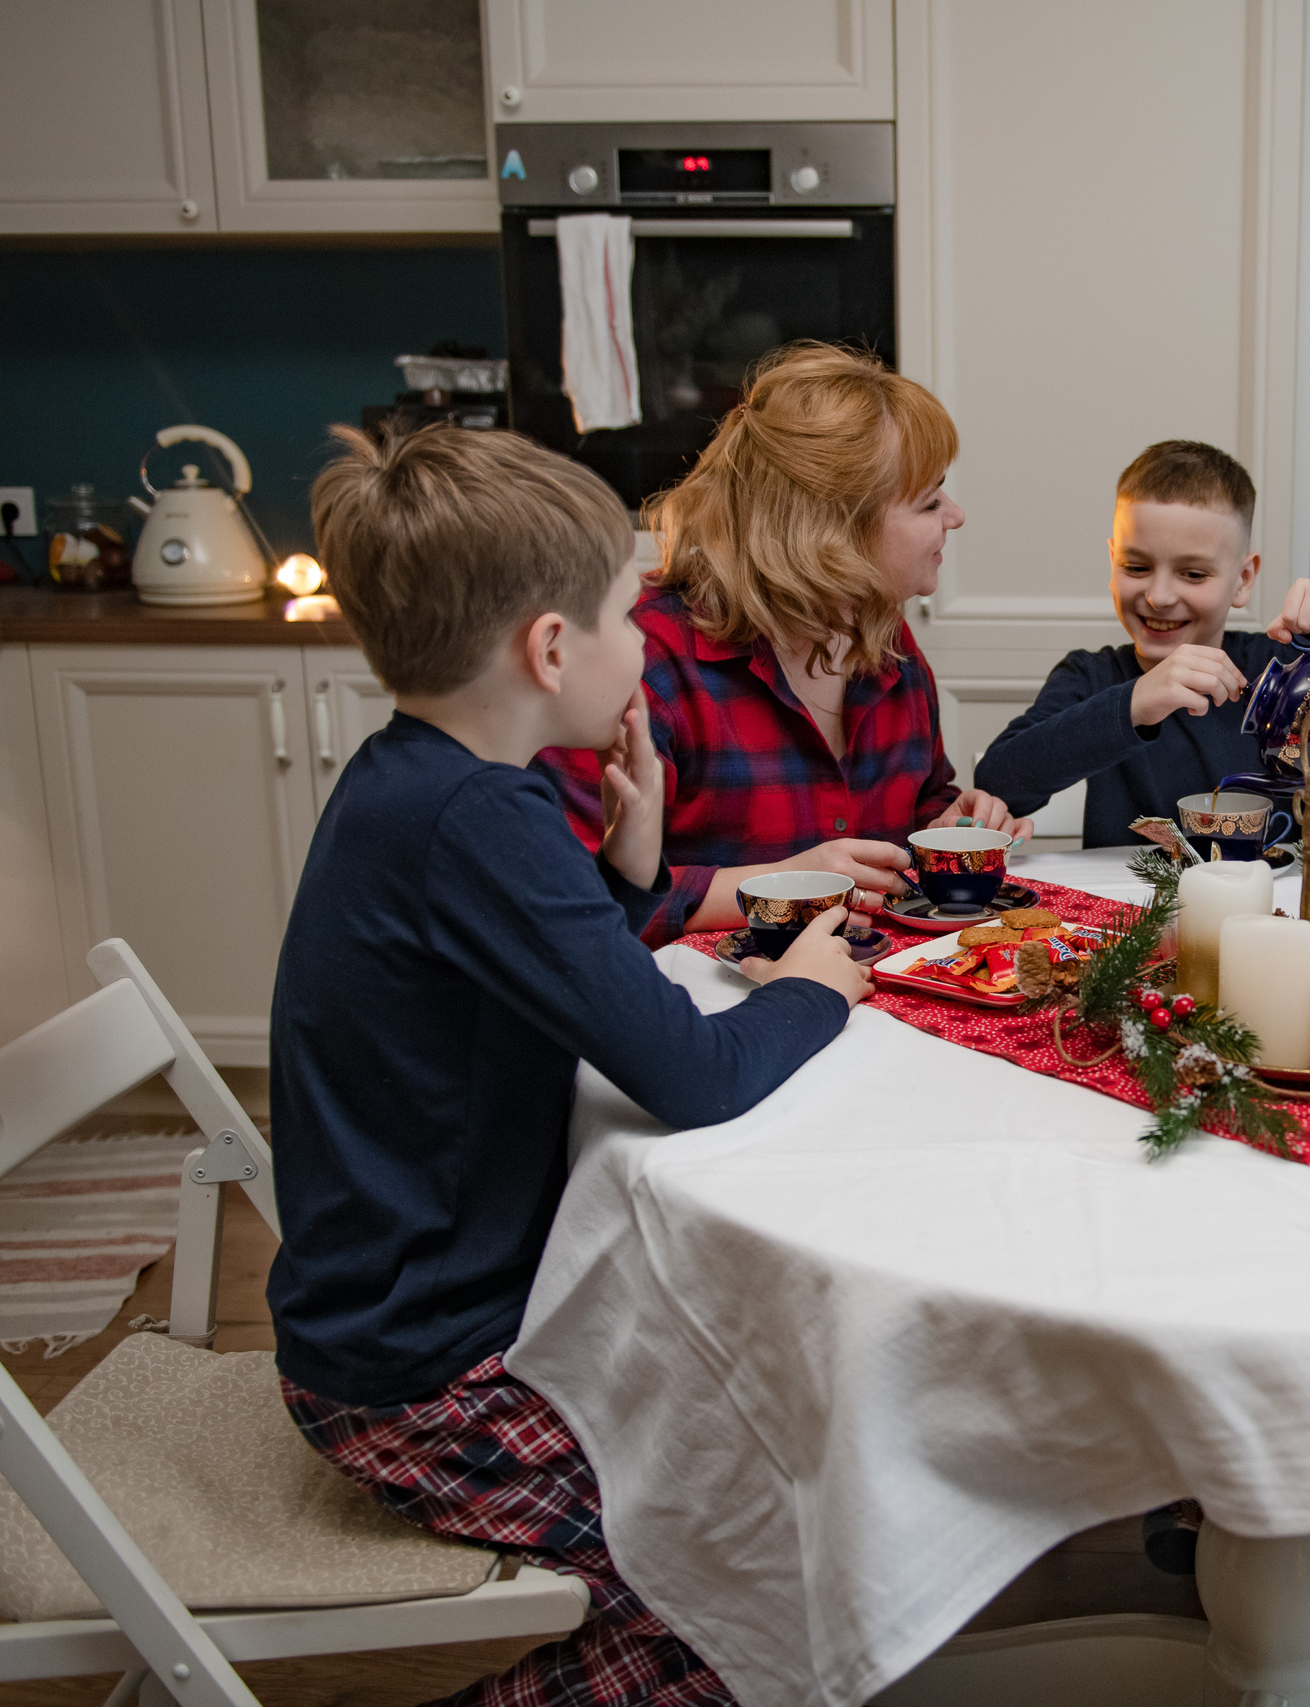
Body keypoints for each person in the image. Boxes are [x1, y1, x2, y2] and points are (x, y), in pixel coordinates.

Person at [270, 424, 869, 1707]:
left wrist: (631, 853)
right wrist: (815, 991)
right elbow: (693, 1075)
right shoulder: (480, 819)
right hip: (421, 1375)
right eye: (623, 615)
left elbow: (561, 967)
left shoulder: (428, 785)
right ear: (550, 649)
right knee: (744, 1564)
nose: (643, 643)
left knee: (758, 1465)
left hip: (411, 1316)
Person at [537, 343, 1026, 944]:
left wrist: (951, 825)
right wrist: (783, 881)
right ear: (830, 531)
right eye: (928, 502)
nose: (956, 516)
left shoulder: (888, 641)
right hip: (705, 1015)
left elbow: (921, 805)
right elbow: (577, 899)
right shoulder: (643, 659)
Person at [975, 440, 1310, 843]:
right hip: (1132, 930)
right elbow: (1000, 781)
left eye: (1193, 573)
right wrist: (1137, 701)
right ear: (1112, 561)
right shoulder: (1092, 676)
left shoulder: (1287, 672)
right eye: (1136, 566)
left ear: (1242, 579)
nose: (1159, 595)